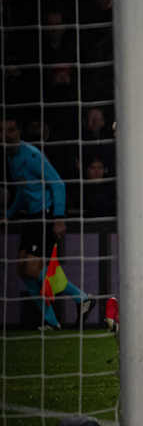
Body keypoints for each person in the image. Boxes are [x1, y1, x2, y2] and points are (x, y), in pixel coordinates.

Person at [6, 118, 92, 329]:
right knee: (23, 271)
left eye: (11, 129)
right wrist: (8, 214)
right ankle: (52, 321)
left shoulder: (32, 155)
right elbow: (23, 190)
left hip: (46, 214)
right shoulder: (11, 158)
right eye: (3, 131)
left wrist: (59, 217)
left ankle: (81, 297)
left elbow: (58, 184)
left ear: (18, 132)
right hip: (31, 216)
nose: (7, 134)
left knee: (32, 269)